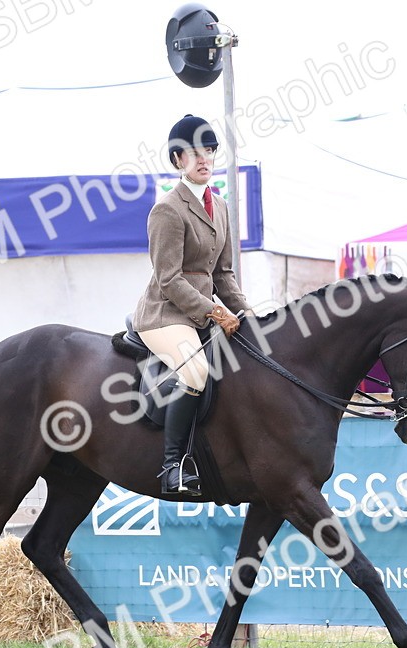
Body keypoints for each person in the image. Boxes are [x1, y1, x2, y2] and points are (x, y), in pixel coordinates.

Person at [133, 114, 250, 496]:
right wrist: (216, 312)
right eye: (194, 153)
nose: (204, 159)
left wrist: (247, 315)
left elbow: (224, 274)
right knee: (196, 373)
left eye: (210, 151)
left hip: (200, 313)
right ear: (178, 160)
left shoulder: (221, 207)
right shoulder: (168, 209)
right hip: (165, 315)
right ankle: (173, 467)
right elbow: (169, 279)